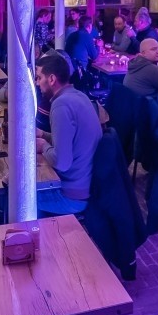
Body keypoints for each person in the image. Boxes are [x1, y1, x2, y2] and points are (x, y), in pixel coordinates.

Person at [34, 51, 103, 216]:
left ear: (51, 79)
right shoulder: (78, 95)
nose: (36, 83)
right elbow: (73, 142)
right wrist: (43, 134)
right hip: (87, 186)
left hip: (71, 196)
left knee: (13, 195)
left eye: (39, 78)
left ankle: (37, 238)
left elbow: (62, 162)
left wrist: (43, 146)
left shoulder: (61, 105)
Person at [124, 36, 158, 101]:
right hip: (147, 108)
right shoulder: (152, 69)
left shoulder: (135, 64)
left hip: (133, 105)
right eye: (153, 49)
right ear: (143, 53)